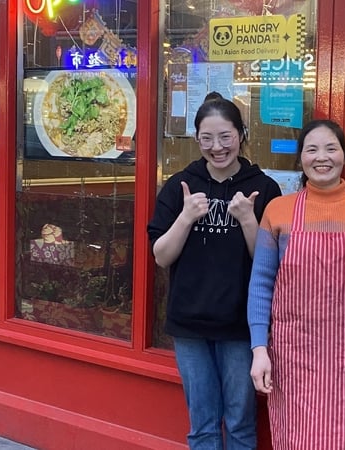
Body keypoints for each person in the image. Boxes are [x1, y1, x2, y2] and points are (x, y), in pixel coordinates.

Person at [247, 119, 345, 449]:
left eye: (331, 148)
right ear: (301, 157)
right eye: (312, 149)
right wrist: (260, 349)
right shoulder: (277, 211)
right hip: (292, 360)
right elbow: (260, 285)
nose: (322, 157)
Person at [147, 92, 282, 450]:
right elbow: (161, 255)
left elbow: (270, 263)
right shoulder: (179, 186)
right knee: (202, 424)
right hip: (190, 325)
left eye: (226, 136)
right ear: (196, 139)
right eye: (207, 138)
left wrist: (248, 221)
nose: (217, 147)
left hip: (241, 327)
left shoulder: (265, 188)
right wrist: (187, 216)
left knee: (239, 423)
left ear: (241, 134)